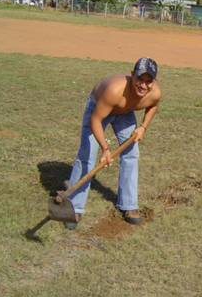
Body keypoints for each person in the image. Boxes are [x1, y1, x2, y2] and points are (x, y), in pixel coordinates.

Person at [65, 57, 161, 229]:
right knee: (87, 155)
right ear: (132, 75)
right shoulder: (114, 90)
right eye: (140, 79)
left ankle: (129, 205)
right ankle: (73, 207)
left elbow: (153, 106)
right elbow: (96, 119)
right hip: (100, 108)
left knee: (131, 153)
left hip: (125, 111)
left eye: (149, 81)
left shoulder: (154, 93)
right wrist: (105, 149)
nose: (144, 85)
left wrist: (143, 127)